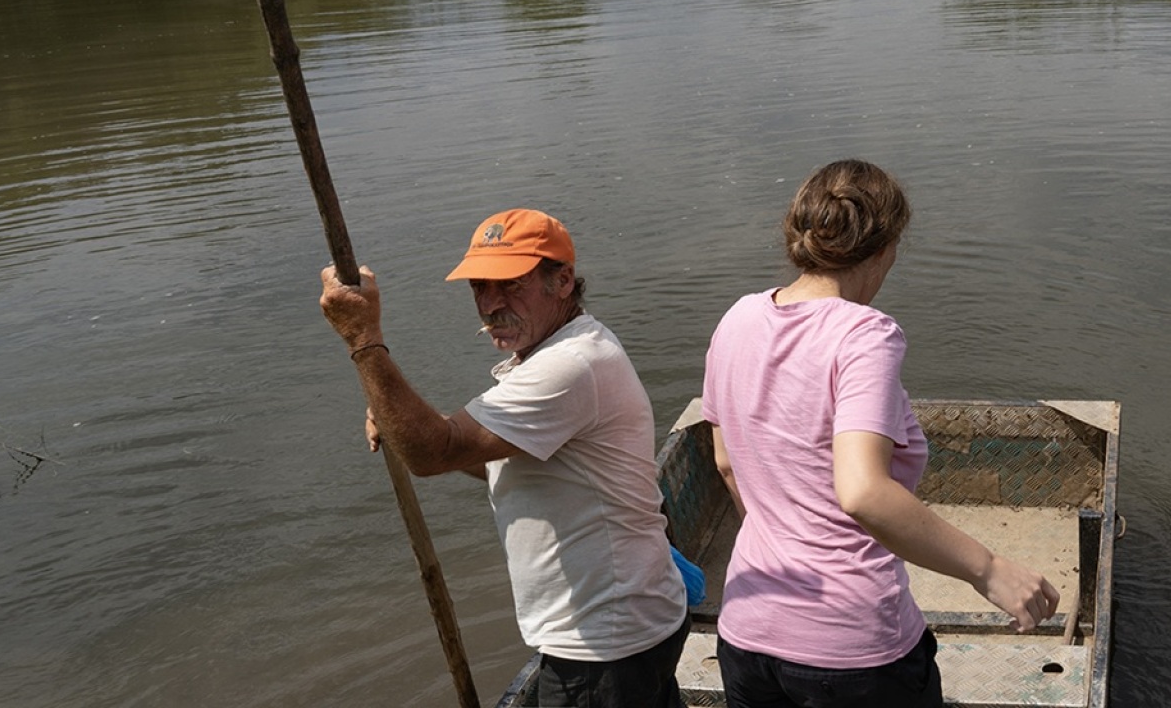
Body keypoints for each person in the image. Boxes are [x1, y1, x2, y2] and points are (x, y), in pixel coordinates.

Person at [701, 159, 1060, 708]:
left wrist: (787, 532)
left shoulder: (738, 318)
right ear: (886, 245)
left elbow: (726, 461)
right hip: (851, 650)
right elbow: (864, 491)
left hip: (749, 631)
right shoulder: (866, 334)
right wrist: (990, 570)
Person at [317, 208, 689, 708]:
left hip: (605, 644)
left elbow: (436, 452)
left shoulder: (570, 364)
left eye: (509, 284)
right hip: (624, 629)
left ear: (562, 281)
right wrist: (399, 420)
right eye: (479, 287)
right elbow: (483, 457)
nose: (490, 303)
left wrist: (364, 340)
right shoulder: (551, 353)